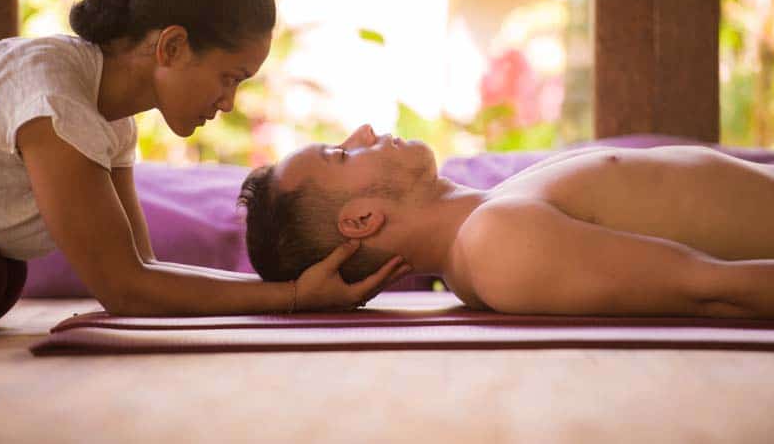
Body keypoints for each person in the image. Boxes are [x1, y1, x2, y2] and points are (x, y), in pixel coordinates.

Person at [0, 0, 411, 327]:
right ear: (173, 46)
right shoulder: (56, 100)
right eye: (230, 77)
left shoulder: (111, 119)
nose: (229, 102)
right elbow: (124, 289)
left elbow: (144, 265)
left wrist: (292, 290)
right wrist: (295, 297)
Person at [240, 124, 774, 318]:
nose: (361, 131)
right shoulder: (496, 245)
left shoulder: (491, 214)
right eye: (340, 154)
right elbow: (708, 288)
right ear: (360, 219)